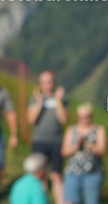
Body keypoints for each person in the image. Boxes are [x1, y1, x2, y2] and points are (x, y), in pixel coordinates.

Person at [28, 70, 68, 203]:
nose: (47, 85)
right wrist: (39, 102)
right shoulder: (35, 98)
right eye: (44, 82)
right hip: (39, 141)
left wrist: (58, 101)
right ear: (40, 84)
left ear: (54, 83)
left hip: (56, 141)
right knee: (40, 175)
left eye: (49, 82)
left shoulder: (62, 99)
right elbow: (32, 119)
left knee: (57, 175)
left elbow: (63, 119)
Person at [61, 103, 105, 204]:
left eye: (86, 117)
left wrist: (88, 145)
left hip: (93, 172)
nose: (84, 120)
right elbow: (64, 151)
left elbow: (102, 151)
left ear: (91, 116)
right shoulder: (71, 130)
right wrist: (77, 145)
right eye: (81, 117)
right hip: (73, 171)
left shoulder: (99, 129)